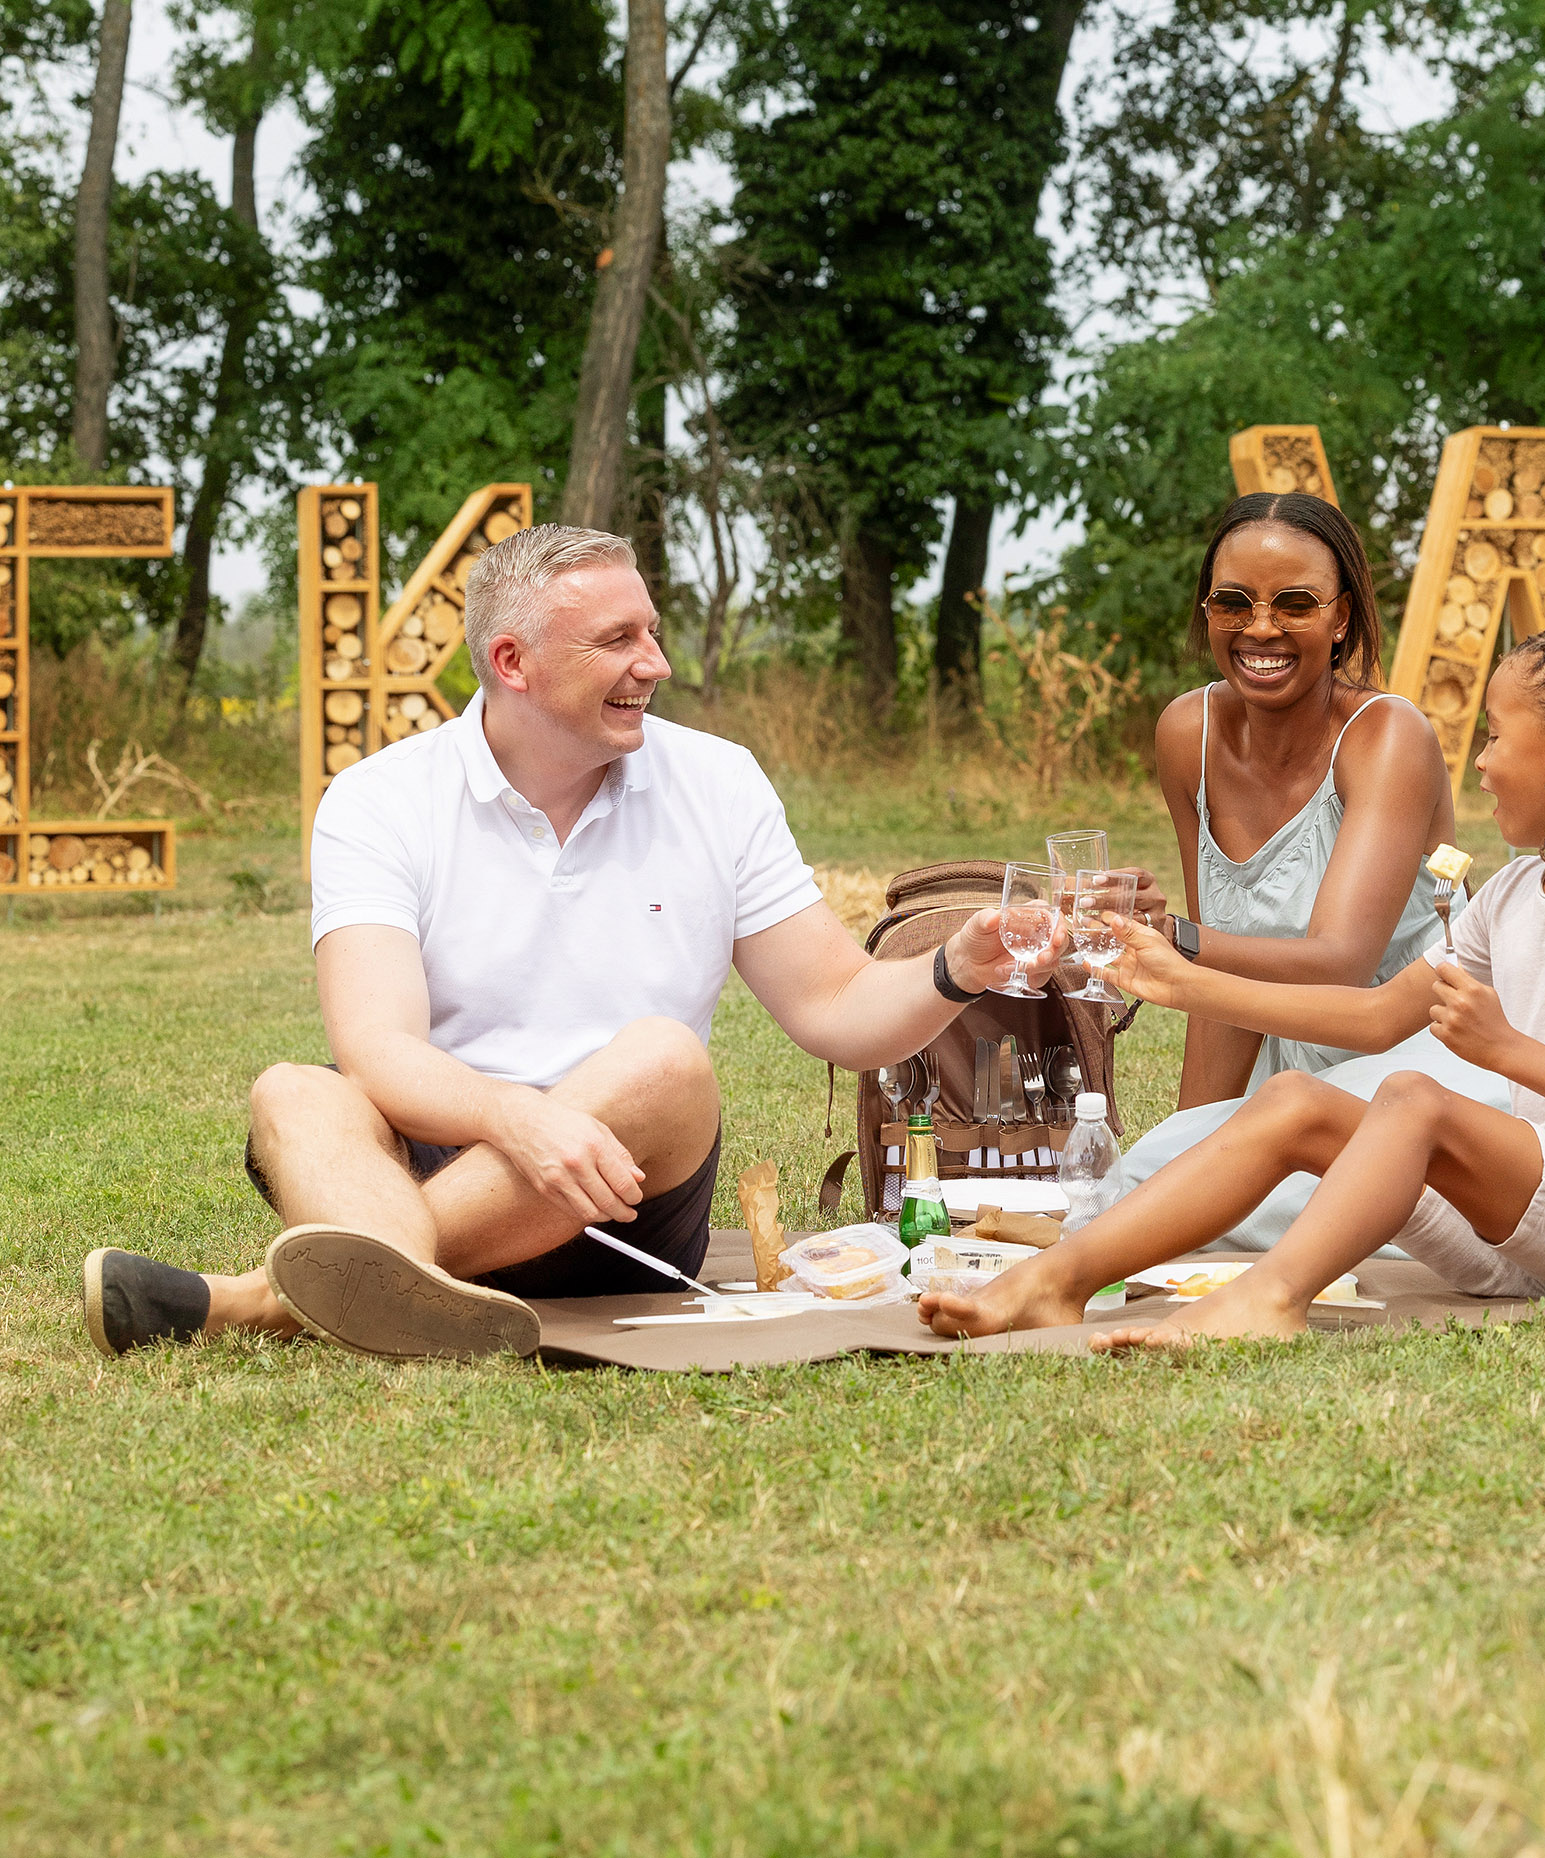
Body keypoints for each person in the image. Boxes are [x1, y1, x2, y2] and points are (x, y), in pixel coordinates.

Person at [82, 525, 1057, 1363]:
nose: (657, 664)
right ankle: (391, 1282)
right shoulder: (379, 798)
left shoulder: (717, 783)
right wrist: (518, 1120)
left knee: (665, 1060)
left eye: (654, 633)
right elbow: (376, 1048)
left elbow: (837, 1006)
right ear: (513, 662)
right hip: (420, 1157)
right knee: (293, 1090)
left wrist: (952, 968)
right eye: (619, 640)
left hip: (617, 1194)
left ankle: (280, 1295)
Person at [919, 610, 1545, 1346]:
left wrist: (1504, 1050)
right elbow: (1374, 1018)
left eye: (1493, 737)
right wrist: (1181, 982)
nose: (1476, 764)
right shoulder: (1511, 893)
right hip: (1514, 1237)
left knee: (1410, 1096)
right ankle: (1055, 1281)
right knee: (1296, 1101)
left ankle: (1270, 1298)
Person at [1152, 492, 1458, 1111]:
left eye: (1295, 604)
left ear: (1341, 617)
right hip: (1290, 1088)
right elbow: (1221, 981)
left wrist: (1171, 939)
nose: (1261, 627)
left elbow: (1341, 964)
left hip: (1420, 1080)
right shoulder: (1188, 733)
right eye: (1233, 602)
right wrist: (1183, 1141)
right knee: (1151, 1188)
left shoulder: (1387, 737)